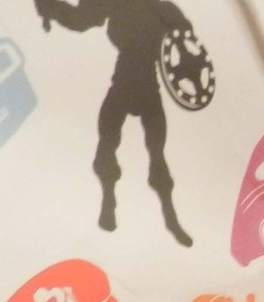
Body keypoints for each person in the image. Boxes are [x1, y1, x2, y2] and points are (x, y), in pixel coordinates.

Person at [34, 0, 194, 247]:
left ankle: (169, 218)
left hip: (140, 85)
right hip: (131, 85)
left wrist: (50, 8)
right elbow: (80, 19)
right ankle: (110, 201)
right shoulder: (155, 9)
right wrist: (50, 8)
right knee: (114, 146)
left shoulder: (163, 10)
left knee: (151, 152)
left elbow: (186, 44)